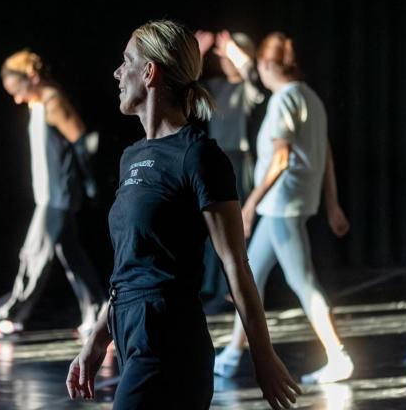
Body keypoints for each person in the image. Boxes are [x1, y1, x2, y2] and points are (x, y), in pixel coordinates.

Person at [66, 21, 301, 410]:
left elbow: (236, 265)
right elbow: (129, 269)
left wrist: (263, 357)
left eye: (126, 61)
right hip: (130, 335)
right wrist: (97, 339)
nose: (117, 73)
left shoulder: (199, 156)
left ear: (149, 72)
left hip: (171, 341)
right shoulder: (131, 157)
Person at [214, 32, 353, 384]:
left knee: (302, 282)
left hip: (281, 205)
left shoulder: (283, 101)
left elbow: (280, 159)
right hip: (291, 203)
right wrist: (332, 203)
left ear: (266, 65)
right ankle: (233, 352)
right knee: (250, 277)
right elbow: (326, 154)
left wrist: (251, 204)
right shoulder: (310, 98)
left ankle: (337, 355)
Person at [0, 50, 107, 339]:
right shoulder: (37, 103)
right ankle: (99, 312)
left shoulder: (53, 102)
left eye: (18, 91)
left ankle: (13, 316)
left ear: (32, 77)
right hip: (48, 194)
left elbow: (81, 141)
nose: (17, 99)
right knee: (71, 255)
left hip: (58, 195)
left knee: (35, 254)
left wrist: (91, 184)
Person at [196, 29, 267, 314]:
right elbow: (187, 87)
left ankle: (232, 292)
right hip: (216, 158)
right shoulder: (215, 86)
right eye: (223, 55)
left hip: (239, 162)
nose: (225, 59)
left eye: (231, 55)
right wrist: (198, 54)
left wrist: (234, 51)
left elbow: (252, 77)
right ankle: (214, 288)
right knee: (213, 226)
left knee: (237, 228)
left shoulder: (248, 90)